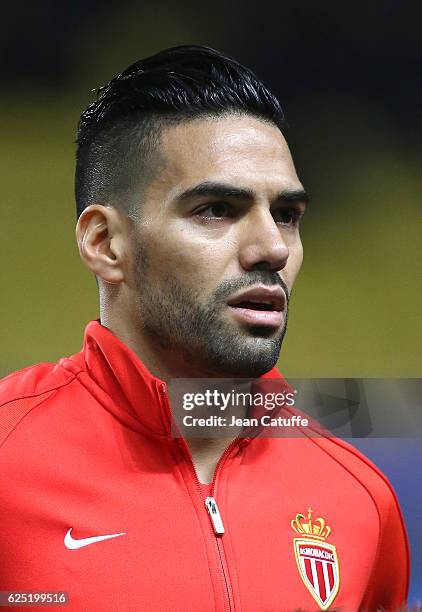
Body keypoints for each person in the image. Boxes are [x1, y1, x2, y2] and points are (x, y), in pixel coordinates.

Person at [0, 45, 409, 611]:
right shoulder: (8, 465)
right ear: (105, 243)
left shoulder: (359, 499)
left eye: (287, 215)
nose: (271, 248)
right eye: (217, 209)